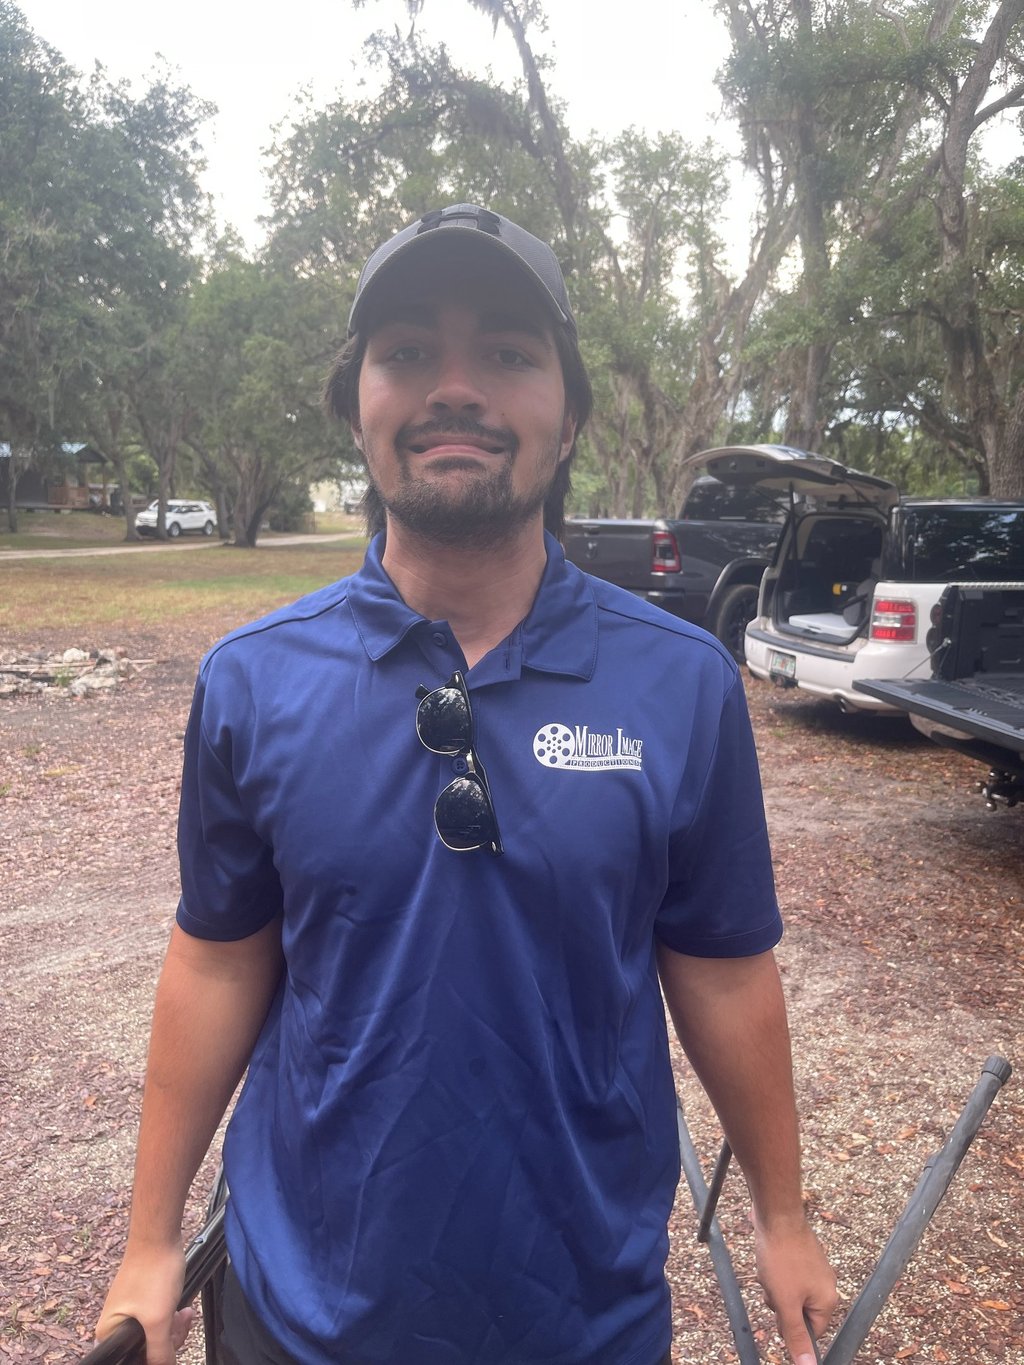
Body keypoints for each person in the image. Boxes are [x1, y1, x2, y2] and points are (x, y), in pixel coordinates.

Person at [96, 203, 836, 1365]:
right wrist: (150, 1238)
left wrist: (781, 1220)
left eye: (505, 352)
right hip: (298, 1313)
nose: (454, 389)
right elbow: (219, 957)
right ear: (355, 408)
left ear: (569, 414)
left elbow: (725, 969)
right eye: (406, 352)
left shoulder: (683, 685)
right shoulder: (253, 680)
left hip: (583, 1319)